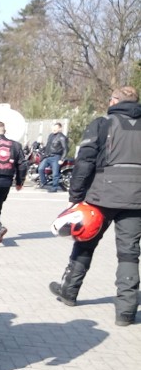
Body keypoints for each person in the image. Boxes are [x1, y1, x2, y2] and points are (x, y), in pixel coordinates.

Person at [49, 86, 141, 326]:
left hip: (101, 195)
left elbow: (85, 161)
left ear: (114, 101)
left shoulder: (103, 123)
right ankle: (126, 311)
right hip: (136, 198)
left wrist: (76, 195)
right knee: (129, 253)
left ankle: (69, 291)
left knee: (86, 241)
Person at [38, 122, 69, 193]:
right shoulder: (50, 135)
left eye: (56, 128)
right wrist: (42, 148)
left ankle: (54, 188)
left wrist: (62, 159)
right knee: (40, 168)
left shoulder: (62, 137)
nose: (54, 129)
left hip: (56, 157)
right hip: (47, 156)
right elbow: (48, 146)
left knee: (55, 173)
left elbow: (65, 149)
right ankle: (44, 183)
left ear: (60, 129)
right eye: (53, 127)